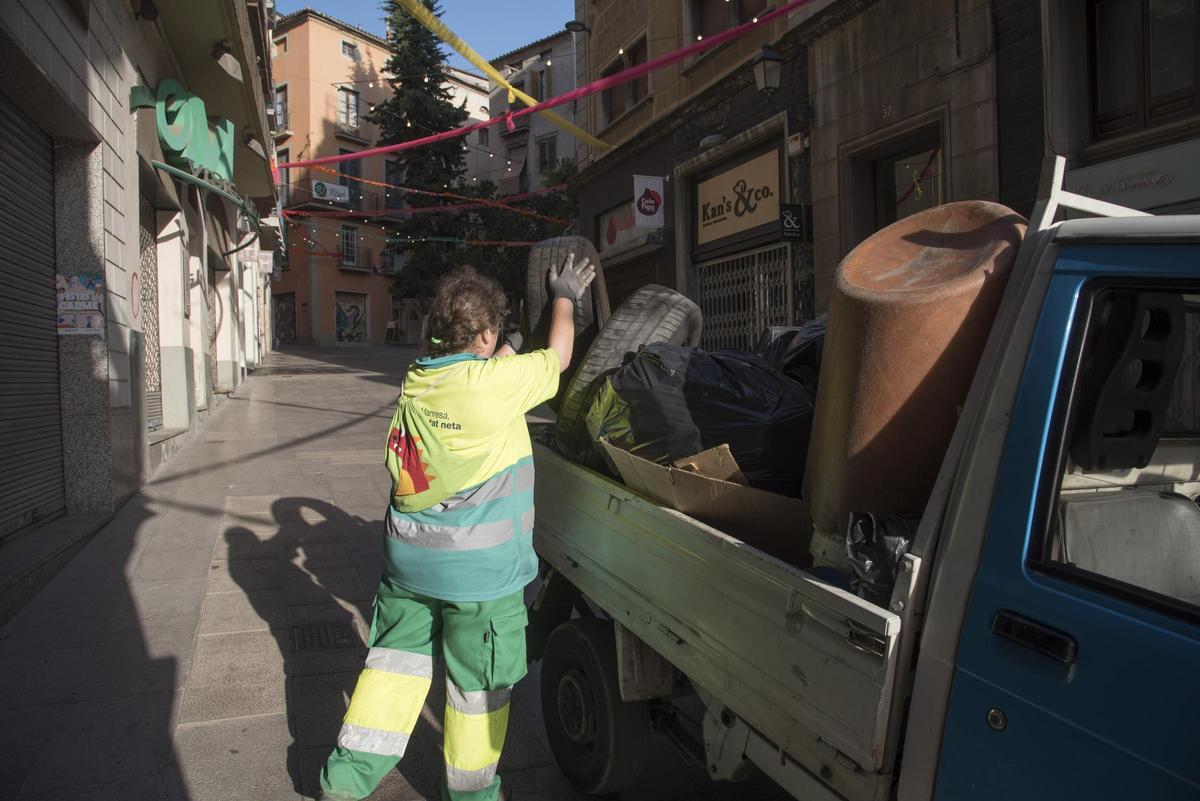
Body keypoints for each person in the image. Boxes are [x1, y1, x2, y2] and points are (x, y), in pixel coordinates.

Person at [318, 253, 596, 801]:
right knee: (476, 693)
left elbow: (478, 374)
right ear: (487, 336)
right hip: (479, 581)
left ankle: (345, 781)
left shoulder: (418, 380)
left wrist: (510, 344)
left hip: (408, 568)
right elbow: (559, 356)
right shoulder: (497, 386)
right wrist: (563, 296)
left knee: (391, 671)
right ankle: (472, 794)